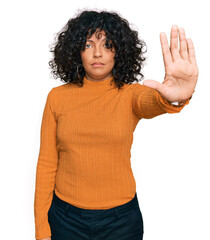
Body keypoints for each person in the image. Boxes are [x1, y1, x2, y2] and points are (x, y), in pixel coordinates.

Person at [34, 9, 198, 240]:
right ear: (76, 51)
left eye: (107, 44)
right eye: (88, 45)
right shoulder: (57, 97)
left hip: (120, 222)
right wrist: (42, 229)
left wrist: (175, 96)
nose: (98, 53)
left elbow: (151, 101)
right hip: (65, 219)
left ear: (119, 51)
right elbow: (46, 165)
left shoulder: (130, 95)